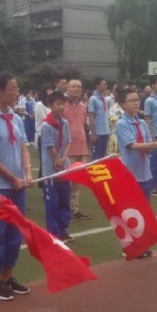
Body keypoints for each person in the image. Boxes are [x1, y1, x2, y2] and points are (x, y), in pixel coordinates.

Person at [0, 73, 32, 301]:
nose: (16, 92)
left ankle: (9, 276)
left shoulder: (16, 118)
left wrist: (28, 173)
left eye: (17, 88)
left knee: (14, 235)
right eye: (12, 88)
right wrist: (12, 178)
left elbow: (23, 148)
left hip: (18, 186)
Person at [115, 87, 157, 258]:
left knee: (145, 210)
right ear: (122, 105)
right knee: (131, 211)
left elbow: (144, 145)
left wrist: (151, 148)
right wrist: (155, 145)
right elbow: (132, 145)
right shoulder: (122, 123)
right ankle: (130, 246)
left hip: (144, 172)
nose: (136, 102)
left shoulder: (142, 123)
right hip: (131, 174)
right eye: (131, 100)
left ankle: (142, 243)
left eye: (137, 99)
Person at [40, 91, 72, 242]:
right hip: (51, 170)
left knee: (65, 199)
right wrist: (57, 162)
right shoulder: (46, 125)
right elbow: (50, 147)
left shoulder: (65, 123)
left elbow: (68, 142)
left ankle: (63, 228)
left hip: (64, 167)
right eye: (58, 104)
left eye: (63, 104)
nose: (61, 107)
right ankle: (53, 231)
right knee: (52, 202)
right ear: (50, 105)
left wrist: (64, 159)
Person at [63, 79, 90, 219]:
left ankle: (75, 209)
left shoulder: (84, 106)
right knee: (67, 179)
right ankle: (65, 208)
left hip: (82, 146)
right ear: (67, 89)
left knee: (77, 181)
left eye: (79, 87)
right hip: (68, 148)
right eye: (73, 86)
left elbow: (84, 126)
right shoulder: (62, 105)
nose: (77, 89)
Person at [88, 77, 110, 161]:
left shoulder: (103, 98)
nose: (106, 86)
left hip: (105, 132)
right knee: (96, 157)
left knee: (103, 156)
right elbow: (91, 117)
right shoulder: (93, 99)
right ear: (97, 86)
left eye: (106, 84)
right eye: (103, 84)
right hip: (97, 133)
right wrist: (93, 134)